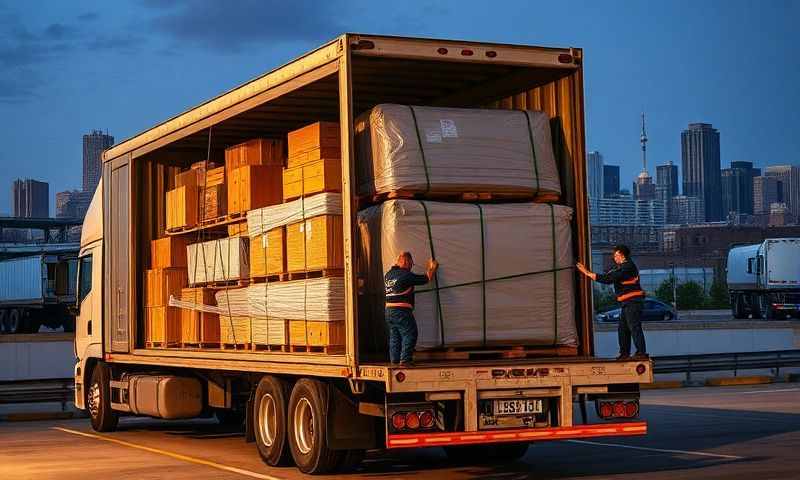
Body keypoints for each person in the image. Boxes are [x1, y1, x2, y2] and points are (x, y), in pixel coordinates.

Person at [575, 245, 648, 360]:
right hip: (627, 303)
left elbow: (608, 279)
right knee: (623, 329)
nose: (614, 258)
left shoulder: (627, 267)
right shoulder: (623, 267)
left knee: (634, 327)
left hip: (633, 302)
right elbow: (609, 276)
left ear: (622, 255)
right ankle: (624, 353)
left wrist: (587, 273)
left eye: (615, 255)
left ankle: (641, 353)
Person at [384, 251, 439, 367]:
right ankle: (405, 360)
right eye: (411, 264)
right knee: (410, 333)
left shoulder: (388, 275)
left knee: (395, 336)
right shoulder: (406, 275)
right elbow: (427, 278)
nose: (410, 267)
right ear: (405, 261)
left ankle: (394, 361)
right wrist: (432, 267)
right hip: (401, 311)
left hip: (389, 311)